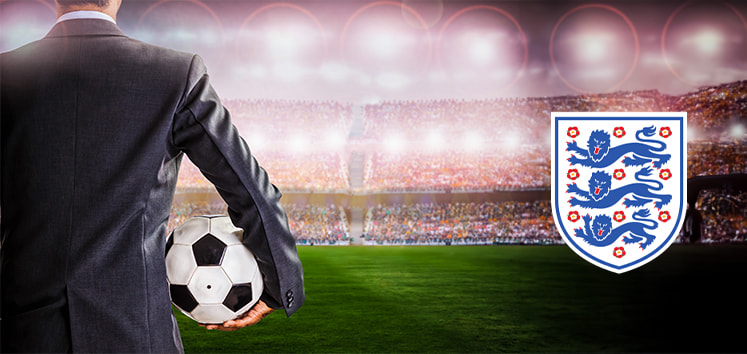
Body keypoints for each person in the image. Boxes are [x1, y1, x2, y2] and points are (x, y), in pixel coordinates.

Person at [0, 0, 304, 352]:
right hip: (137, 333)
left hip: (23, 333)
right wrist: (279, 283)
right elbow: (251, 188)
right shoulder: (175, 73)